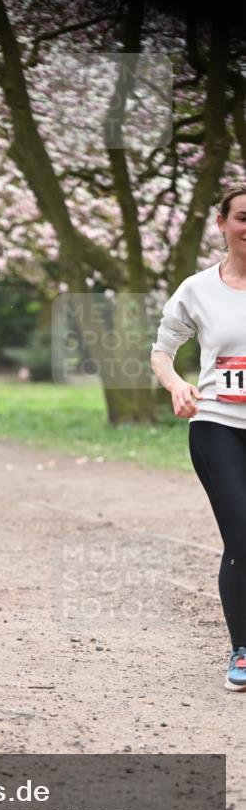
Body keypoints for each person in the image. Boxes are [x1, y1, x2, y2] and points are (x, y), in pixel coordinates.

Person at [151, 183, 246, 691]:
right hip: (217, 425)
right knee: (242, 537)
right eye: (242, 218)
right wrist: (176, 384)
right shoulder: (197, 289)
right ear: (222, 224)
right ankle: (243, 651)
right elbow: (162, 350)